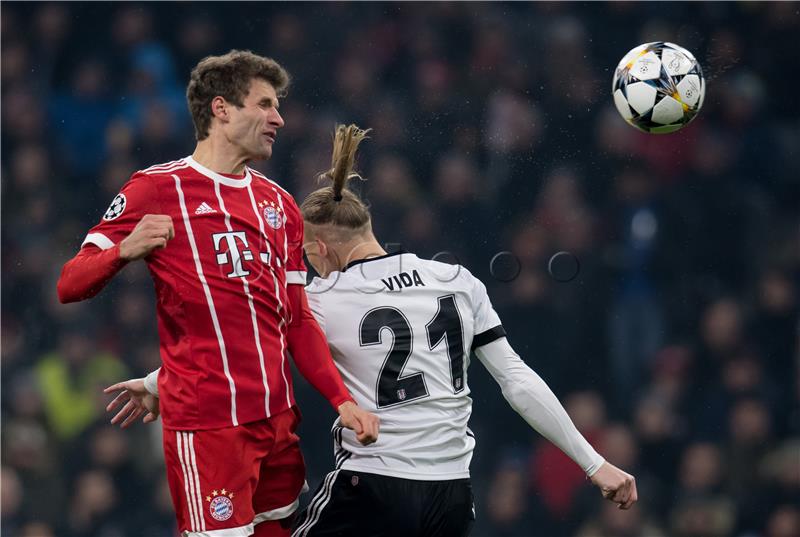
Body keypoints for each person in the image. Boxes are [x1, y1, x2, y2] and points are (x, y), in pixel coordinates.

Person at [111, 125, 638, 537]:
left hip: (375, 487)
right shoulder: (457, 280)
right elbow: (517, 381)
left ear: (320, 250)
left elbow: (241, 352)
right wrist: (595, 464)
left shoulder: (320, 298)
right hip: (452, 495)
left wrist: (159, 384)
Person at [57, 51, 379, 537]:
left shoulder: (279, 204)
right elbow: (69, 283)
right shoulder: (156, 189)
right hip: (209, 429)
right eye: (266, 105)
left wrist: (339, 399)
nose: (279, 118)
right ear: (222, 109)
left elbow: (295, 320)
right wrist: (124, 250)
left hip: (277, 423)